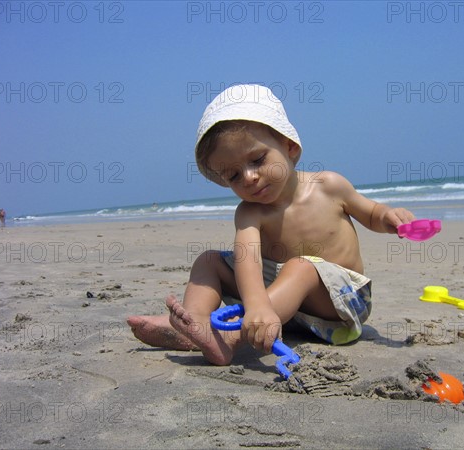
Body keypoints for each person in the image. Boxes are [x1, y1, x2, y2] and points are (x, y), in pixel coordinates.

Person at [127, 84, 415, 366]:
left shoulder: (329, 186)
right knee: (210, 261)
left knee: (301, 266)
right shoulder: (249, 213)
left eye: (258, 159)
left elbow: (371, 213)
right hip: (282, 310)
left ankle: (231, 338)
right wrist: (258, 304)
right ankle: (196, 326)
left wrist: (389, 218)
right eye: (233, 176)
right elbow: (247, 258)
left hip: (340, 305)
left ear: (289, 147)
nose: (249, 177)